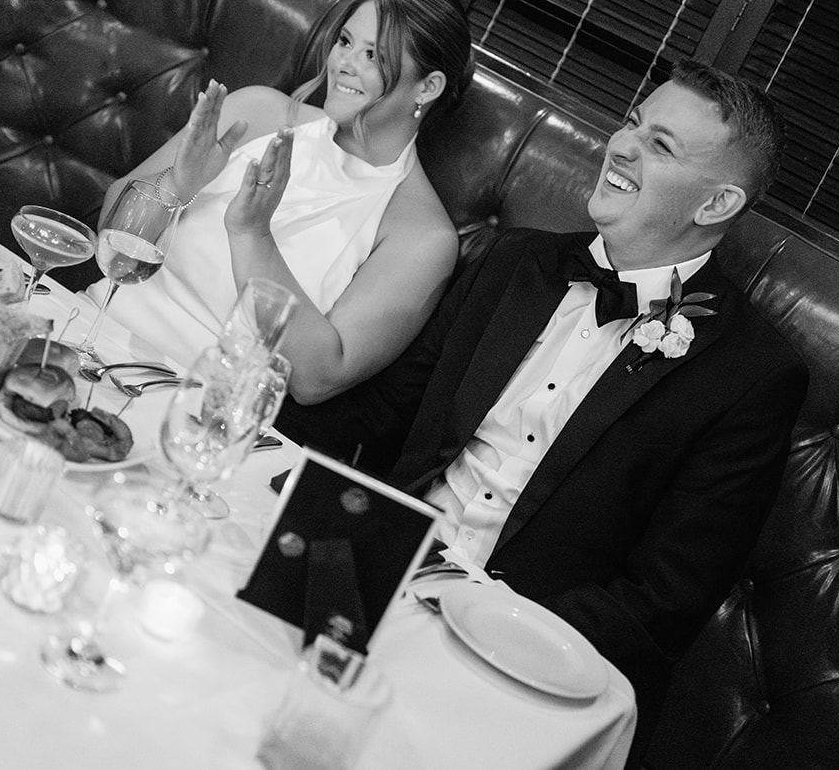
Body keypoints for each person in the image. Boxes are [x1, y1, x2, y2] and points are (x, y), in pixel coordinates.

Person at [277, 60, 808, 758]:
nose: (621, 146)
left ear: (715, 205)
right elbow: (381, 413)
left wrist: (476, 616)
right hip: (376, 568)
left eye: (660, 146)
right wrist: (246, 421)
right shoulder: (514, 261)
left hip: (524, 655)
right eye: (632, 123)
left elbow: (662, 601)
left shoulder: (750, 375)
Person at [100, 0, 473, 404]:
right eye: (345, 42)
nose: (344, 63)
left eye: (373, 55)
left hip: (195, 403)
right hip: (97, 328)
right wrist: (178, 185)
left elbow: (318, 379)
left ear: (427, 87)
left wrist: (253, 235)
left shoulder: (421, 236)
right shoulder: (256, 112)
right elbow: (110, 229)